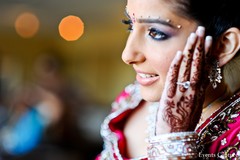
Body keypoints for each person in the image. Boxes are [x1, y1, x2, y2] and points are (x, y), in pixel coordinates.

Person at [96, 0, 240, 159]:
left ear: (223, 46)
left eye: (156, 33)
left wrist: (173, 143)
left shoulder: (235, 136)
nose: (127, 55)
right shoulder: (134, 98)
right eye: (130, 25)